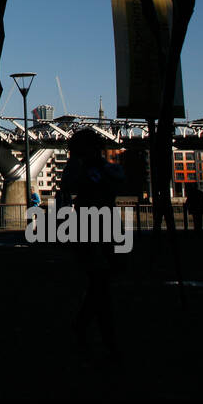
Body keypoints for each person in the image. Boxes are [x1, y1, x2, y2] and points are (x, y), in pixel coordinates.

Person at [60, 129, 124, 358]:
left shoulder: (90, 167)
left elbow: (68, 186)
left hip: (97, 227)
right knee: (101, 282)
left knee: (100, 282)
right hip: (97, 227)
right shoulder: (90, 167)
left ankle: (84, 324)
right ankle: (107, 337)